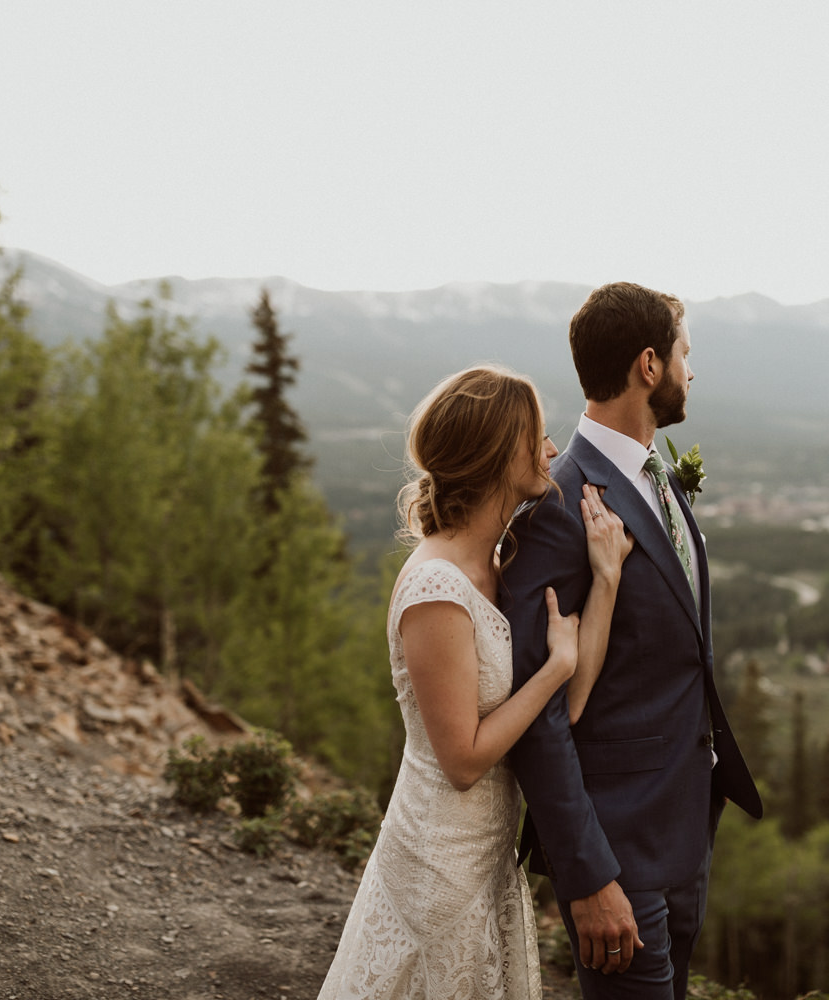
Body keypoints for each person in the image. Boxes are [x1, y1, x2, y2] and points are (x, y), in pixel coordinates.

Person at [317, 364, 633, 1000]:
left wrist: (605, 582)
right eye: (537, 437)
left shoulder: (496, 564)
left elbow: (565, 708)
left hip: (488, 856)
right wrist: (551, 670)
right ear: (497, 454)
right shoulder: (437, 589)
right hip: (438, 860)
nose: (551, 450)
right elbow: (462, 760)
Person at [501, 283, 763, 1000]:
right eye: (685, 353)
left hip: (684, 830)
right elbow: (539, 713)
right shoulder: (560, 504)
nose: (691, 369)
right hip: (616, 856)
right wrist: (587, 877)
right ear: (649, 366)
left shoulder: (656, 473)